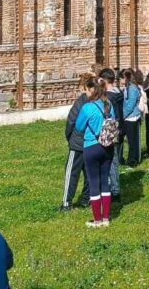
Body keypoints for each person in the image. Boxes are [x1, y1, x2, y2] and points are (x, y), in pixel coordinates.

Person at [74, 76, 116, 227]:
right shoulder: (109, 104)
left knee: (94, 182)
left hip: (91, 146)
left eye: (86, 89)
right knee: (105, 181)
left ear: (92, 90)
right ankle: (106, 218)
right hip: (108, 146)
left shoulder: (87, 108)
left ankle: (97, 220)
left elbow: (79, 127)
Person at [61, 74, 93, 211]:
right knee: (89, 173)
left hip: (78, 144)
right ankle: (86, 198)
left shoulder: (80, 102)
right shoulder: (97, 102)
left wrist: (70, 139)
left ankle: (66, 203)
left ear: (84, 87)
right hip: (91, 143)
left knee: (71, 174)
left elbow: (71, 122)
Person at [99, 68, 124, 196]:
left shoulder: (108, 97)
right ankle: (114, 187)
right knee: (114, 160)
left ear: (104, 80)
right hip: (119, 128)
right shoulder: (118, 92)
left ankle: (114, 189)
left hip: (110, 130)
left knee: (111, 160)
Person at [120, 68, 143, 167]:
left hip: (132, 118)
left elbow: (130, 105)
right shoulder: (127, 87)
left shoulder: (132, 89)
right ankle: (125, 159)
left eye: (121, 78)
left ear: (126, 78)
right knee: (126, 139)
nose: (120, 80)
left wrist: (123, 115)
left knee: (132, 141)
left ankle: (132, 160)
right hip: (128, 118)